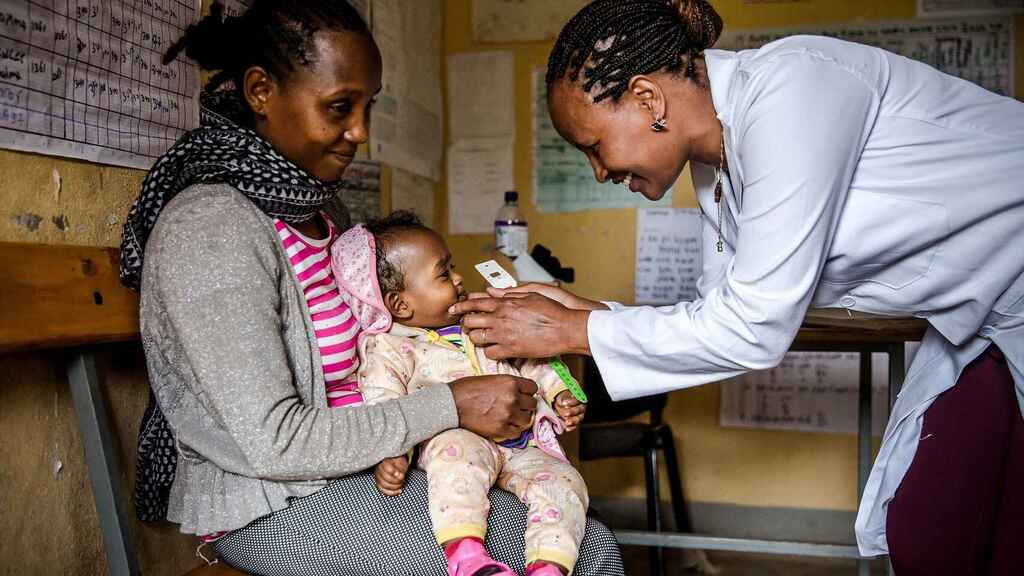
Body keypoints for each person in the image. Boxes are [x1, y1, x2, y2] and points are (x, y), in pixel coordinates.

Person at [450, 0, 1024, 573]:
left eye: (594, 147)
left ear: (648, 100)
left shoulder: (792, 90)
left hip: (1008, 290)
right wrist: (588, 311)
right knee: (933, 527)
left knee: (952, 528)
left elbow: (753, 325)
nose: (600, 172)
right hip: (986, 320)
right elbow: (719, 312)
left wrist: (575, 330)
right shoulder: (716, 169)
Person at [120, 1, 624, 574]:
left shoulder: (323, 211)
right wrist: (453, 404)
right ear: (261, 91)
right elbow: (275, 444)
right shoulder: (211, 228)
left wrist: (466, 331)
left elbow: (396, 333)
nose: (360, 131)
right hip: (271, 502)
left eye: (367, 107)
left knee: (558, 512)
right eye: (339, 107)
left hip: (368, 462)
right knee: (585, 553)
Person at [329, 212, 589, 576]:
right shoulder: (387, 348)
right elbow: (383, 402)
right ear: (401, 304)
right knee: (456, 459)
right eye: (444, 273)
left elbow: (532, 360)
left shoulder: (478, 321)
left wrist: (560, 393)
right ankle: (468, 559)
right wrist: (392, 454)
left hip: (523, 444)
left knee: (567, 482)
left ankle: (547, 566)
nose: (459, 277)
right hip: (460, 440)